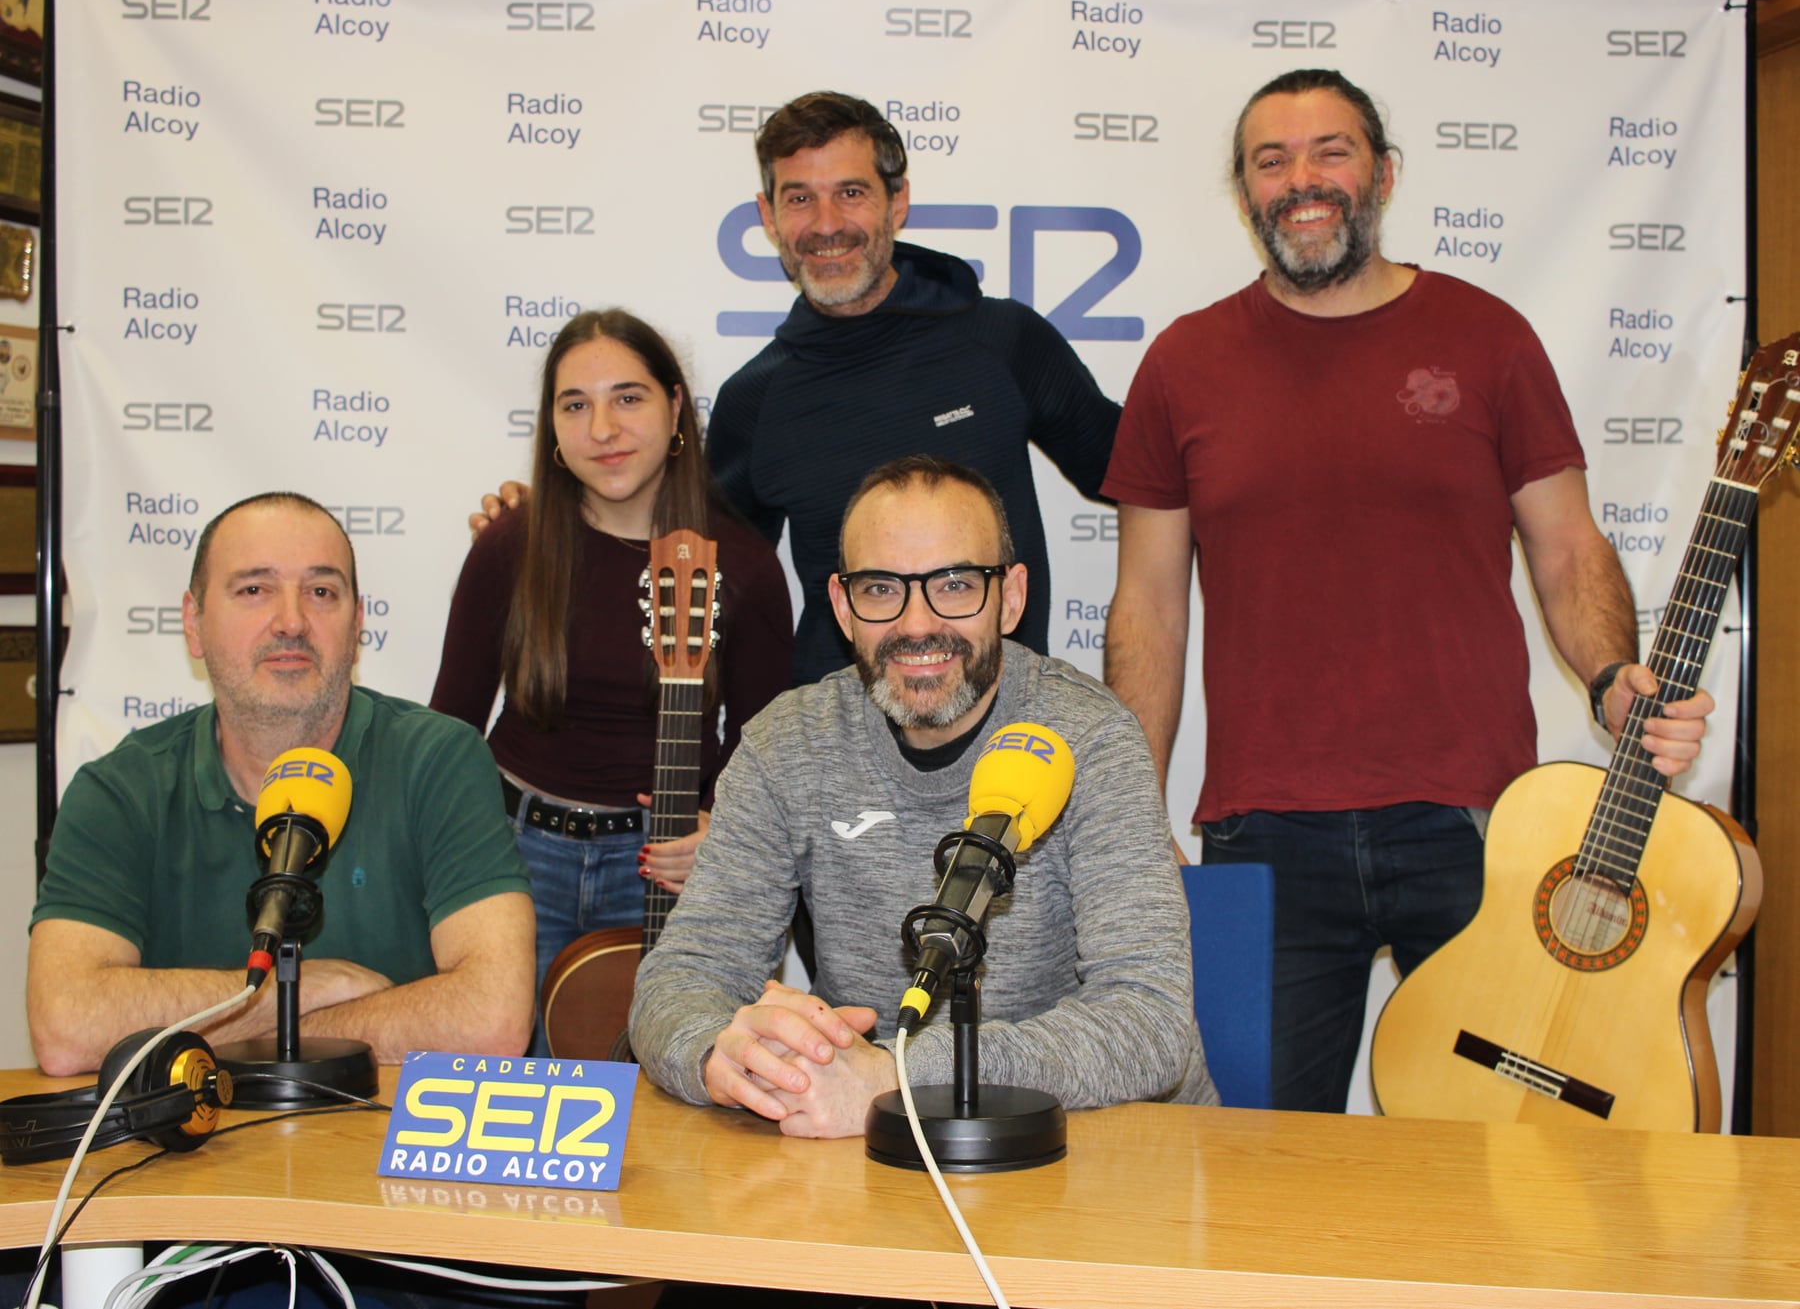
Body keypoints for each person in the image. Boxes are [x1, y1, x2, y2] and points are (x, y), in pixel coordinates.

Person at [1100, 68, 1715, 1115]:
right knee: (1256, 1158)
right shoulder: (1183, 363)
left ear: (1382, 173)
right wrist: (1126, 811)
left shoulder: (1489, 337)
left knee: (1501, 1149)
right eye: (1271, 160)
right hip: (1265, 831)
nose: (1303, 180)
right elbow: (1147, 609)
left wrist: (1613, 675)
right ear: (1244, 193)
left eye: (1330, 152)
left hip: (1476, 824)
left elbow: (1567, 549)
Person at [628, 456, 1215, 1139]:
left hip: (1105, 1149)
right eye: (881, 588)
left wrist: (897, 1073)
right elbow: (682, 974)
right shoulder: (786, 745)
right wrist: (720, 1052)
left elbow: (1150, 1021)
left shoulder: (1092, 736)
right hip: (870, 1140)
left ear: (1012, 597)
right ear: (843, 607)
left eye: (956, 584)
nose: (916, 624)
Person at [474, 90, 1120, 687]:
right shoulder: (756, 400)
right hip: (834, 757)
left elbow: (1134, 471)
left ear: (897, 202)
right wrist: (550, 516)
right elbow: (679, 559)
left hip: (1002, 730)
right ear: (769, 216)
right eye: (800, 198)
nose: (826, 223)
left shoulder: (1003, 342)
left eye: (851, 192)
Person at [28, 493, 535, 1076]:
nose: (292, 621)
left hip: (380, 1144)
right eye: (254, 590)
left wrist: (236, 1041)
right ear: (194, 625)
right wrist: (299, 991)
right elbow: (66, 1027)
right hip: (197, 1156)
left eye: (322, 592)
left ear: (358, 623)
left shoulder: (438, 759)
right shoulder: (120, 789)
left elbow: (492, 1019)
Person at [430, 309, 791, 1039]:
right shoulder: (511, 546)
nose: (602, 428)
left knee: (670, 1087)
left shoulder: (744, 565)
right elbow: (448, 731)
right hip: (512, 855)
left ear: (677, 408)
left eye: (628, 397)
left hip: (662, 866)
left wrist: (720, 830)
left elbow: (766, 750)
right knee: (510, 1088)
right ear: (553, 429)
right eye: (575, 404)